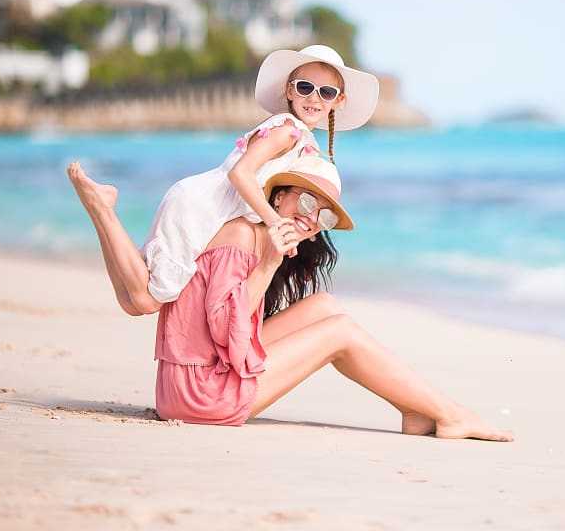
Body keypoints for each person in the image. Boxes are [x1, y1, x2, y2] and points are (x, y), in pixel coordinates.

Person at [68, 154, 513, 441]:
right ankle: (450, 414)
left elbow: (227, 329)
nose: (311, 220)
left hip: (198, 378)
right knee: (339, 333)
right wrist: (267, 266)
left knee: (325, 308)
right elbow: (227, 334)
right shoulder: (241, 237)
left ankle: (414, 410)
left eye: (322, 216)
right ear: (277, 197)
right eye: (305, 204)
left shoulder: (258, 238)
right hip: (198, 396)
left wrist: (270, 262)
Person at [70, 44, 380, 313]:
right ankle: (103, 210)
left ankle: (102, 209)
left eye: (326, 92)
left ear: (338, 100)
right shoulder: (288, 130)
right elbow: (239, 173)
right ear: (289, 90)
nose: (314, 98)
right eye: (304, 87)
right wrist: (274, 220)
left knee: (132, 302)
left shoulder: (300, 141)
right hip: (199, 207)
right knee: (150, 299)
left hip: (204, 206)